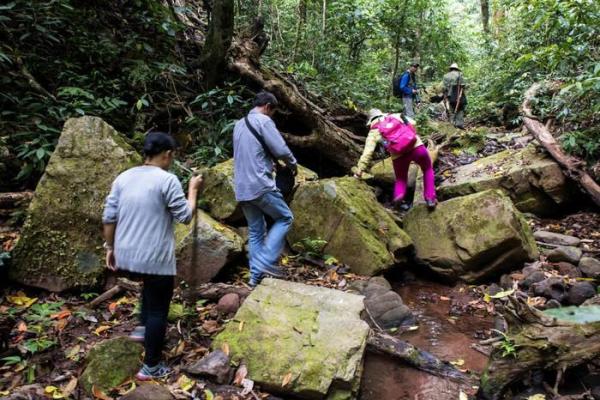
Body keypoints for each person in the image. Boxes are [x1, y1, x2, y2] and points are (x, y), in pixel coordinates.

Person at [102, 132, 203, 380]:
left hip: (125, 256)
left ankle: (141, 328)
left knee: (149, 287)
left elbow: (109, 217)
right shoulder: (167, 180)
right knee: (159, 308)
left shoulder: (123, 178)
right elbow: (185, 216)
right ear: (167, 155)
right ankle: (151, 366)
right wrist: (193, 190)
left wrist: (109, 247)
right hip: (155, 257)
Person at [233, 91, 298, 288]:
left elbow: (253, 151)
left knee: (255, 230)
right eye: (272, 112)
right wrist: (293, 164)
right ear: (268, 107)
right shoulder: (263, 121)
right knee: (285, 218)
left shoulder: (238, 124)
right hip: (260, 184)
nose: (271, 116)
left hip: (242, 187)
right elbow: (281, 149)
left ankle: (254, 278)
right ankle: (264, 261)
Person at [354, 108, 437, 210]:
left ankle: (399, 196)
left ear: (370, 121)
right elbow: (413, 123)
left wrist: (359, 171)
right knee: (427, 169)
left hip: (398, 155)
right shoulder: (395, 116)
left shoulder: (373, 131)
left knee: (401, 179)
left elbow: (367, 153)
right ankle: (430, 199)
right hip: (416, 147)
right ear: (382, 113)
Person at [443, 63, 467, 129]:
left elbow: (444, 88)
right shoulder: (460, 74)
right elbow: (463, 85)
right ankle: (459, 124)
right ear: (457, 69)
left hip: (449, 95)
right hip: (459, 94)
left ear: (450, 69)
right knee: (460, 109)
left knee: (451, 109)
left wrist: (445, 97)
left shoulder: (445, 76)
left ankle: (452, 124)